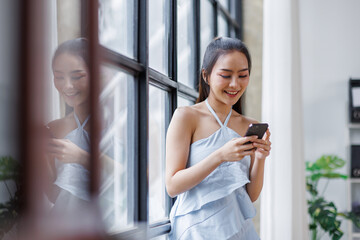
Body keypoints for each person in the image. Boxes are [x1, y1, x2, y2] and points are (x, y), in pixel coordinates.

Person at [165, 37, 271, 239]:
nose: (235, 84)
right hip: (196, 232)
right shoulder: (186, 117)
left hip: (239, 230)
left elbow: (250, 196)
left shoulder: (247, 124)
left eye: (243, 75)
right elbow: (172, 186)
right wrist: (220, 155)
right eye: (225, 75)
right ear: (206, 75)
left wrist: (260, 158)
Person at [46, 38, 91, 210]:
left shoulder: (114, 124)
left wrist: (81, 157)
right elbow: (55, 196)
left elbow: (134, 181)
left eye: (76, 76)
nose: (68, 86)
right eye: (59, 77)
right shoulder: (54, 128)